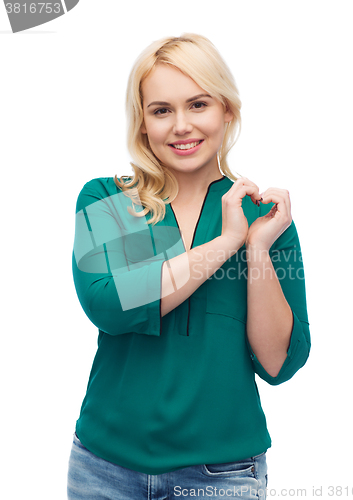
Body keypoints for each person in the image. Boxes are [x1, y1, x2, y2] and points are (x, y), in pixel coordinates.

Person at [67, 33, 311, 500]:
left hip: (223, 476)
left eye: (197, 104)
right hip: (104, 468)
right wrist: (228, 242)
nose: (181, 125)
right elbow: (110, 305)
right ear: (142, 124)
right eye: (161, 111)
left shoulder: (265, 219)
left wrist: (256, 249)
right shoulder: (111, 200)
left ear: (227, 111)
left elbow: (279, 363)